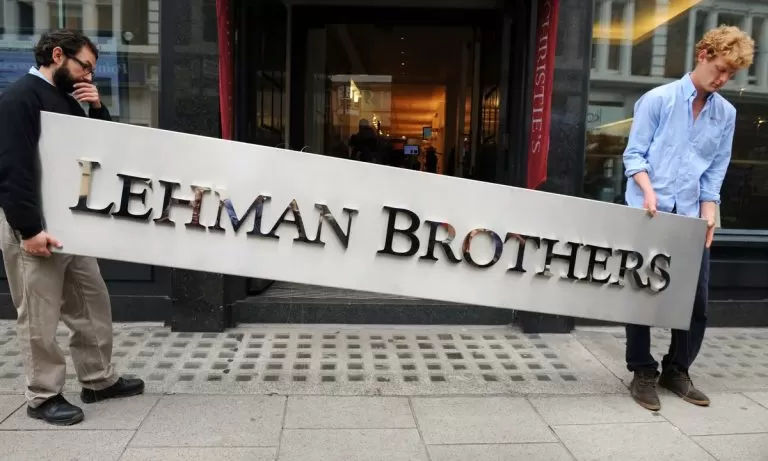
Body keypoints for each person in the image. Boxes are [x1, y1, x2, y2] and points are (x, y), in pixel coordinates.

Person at [0, 29, 144, 426]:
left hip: (69, 222)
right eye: (85, 66)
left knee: (91, 300)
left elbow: (99, 154)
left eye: (92, 71)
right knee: (39, 315)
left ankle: (97, 379)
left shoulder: (66, 99)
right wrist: (29, 230)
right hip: (35, 225)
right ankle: (43, 395)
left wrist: (97, 108)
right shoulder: (20, 99)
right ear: (58, 55)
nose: (88, 76)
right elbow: (12, 168)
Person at [622, 25, 754, 411]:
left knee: (696, 302)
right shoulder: (658, 100)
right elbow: (634, 155)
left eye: (731, 73)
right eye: (721, 68)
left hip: (693, 216)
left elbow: (715, 170)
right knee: (641, 295)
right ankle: (642, 370)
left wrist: (709, 214)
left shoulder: (726, 113)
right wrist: (648, 191)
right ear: (703, 55)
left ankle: (677, 369)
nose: (724, 78)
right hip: (648, 213)